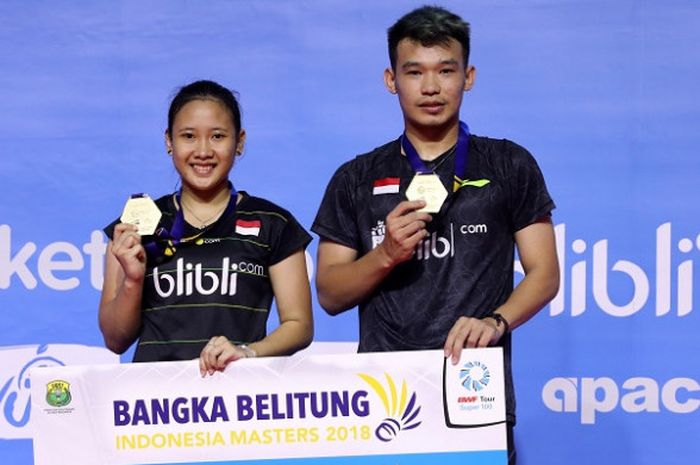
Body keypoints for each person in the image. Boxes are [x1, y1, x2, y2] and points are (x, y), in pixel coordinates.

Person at [312, 6, 559, 464]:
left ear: (468, 77)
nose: (431, 87)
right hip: (384, 397)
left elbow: (545, 274)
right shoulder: (355, 178)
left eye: (446, 71)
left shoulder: (509, 164)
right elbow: (328, 292)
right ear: (391, 80)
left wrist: (495, 322)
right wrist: (385, 253)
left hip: (475, 391)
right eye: (415, 72)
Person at [99, 80, 313, 376]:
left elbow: (299, 325)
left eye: (217, 136)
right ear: (169, 141)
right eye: (188, 136)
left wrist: (247, 352)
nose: (203, 150)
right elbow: (115, 339)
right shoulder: (136, 223)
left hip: (241, 403)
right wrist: (133, 281)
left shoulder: (273, 223)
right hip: (152, 407)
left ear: (239, 142)